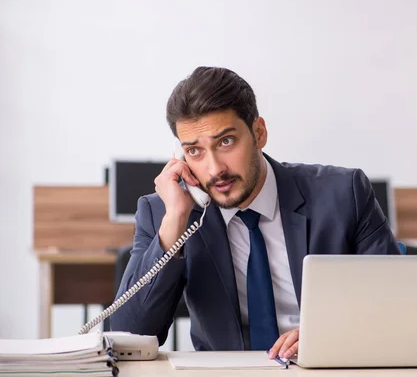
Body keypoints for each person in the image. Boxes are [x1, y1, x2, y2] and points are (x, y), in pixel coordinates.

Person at [110, 66, 402, 360]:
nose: (215, 169)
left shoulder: (343, 194)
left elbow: (398, 305)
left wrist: (334, 333)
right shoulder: (163, 212)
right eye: (195, 151)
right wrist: (174, 222)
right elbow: (129, 336)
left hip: (326, 366)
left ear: (259, 132)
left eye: (225, 142)